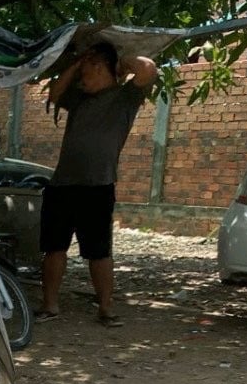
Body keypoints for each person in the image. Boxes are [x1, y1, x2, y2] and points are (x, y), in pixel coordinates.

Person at [38, 43, 158, 327]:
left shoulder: (125, 97)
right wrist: (76, 63)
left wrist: (121, 61)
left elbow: (148, 69)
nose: (82, 77)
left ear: (102, 67)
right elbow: (54, 93)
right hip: (62, 184)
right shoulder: (78, 98)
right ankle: (50, 305)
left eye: (87, 70)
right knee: (54, 247)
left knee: (99, 252)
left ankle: (106, 308)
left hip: (98, 186)